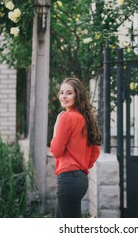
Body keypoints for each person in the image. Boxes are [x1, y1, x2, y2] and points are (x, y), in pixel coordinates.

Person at [50, 78, 101, 218]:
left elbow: (56, 151)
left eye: (69, 93)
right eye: (61, 92)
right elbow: (95, 151)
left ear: (77, 95)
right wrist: (82, 164)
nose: (63, 96)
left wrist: (55, 129)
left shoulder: (66, 117)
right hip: (80, 179)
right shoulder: (85, 118)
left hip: (68, 179)